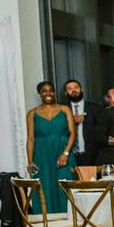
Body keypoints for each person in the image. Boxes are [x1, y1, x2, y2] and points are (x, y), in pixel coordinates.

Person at [25, 81, 77, 214]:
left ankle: (70, 226)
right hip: (41, 156)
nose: (48, 93)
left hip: (63, 154)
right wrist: (30, 161)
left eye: (51, 90)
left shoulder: (65, 109)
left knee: (64, 187)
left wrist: (65, 153)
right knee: (44, 189)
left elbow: (73, 133)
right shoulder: (32, 113)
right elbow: (31, 139)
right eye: (44, 91)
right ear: (40, 94)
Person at [62, 79, 102, 166]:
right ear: (65, 93)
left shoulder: (95, 108)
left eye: (76, 87)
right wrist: (71, 121)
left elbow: (101, 133)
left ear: (81, 89)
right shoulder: (61, 109)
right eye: (69, 88)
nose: (74, 90)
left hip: (91, 156)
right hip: (69, 156)